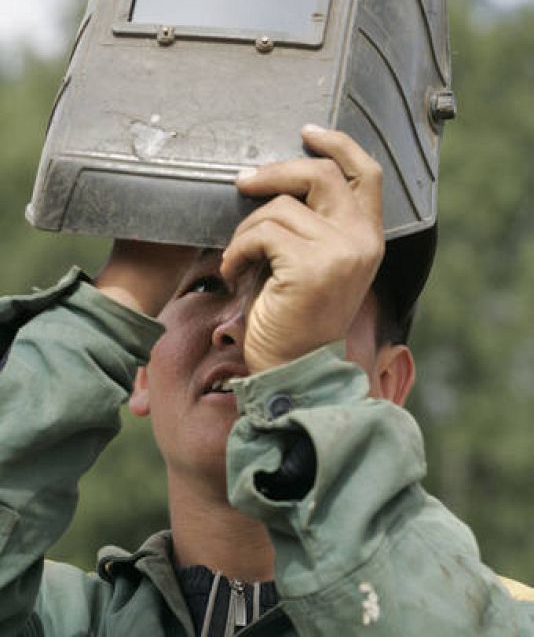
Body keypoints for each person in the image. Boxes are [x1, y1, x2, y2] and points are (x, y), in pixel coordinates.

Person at [0, 126, 532, 636]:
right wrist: (116, 304)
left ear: (387, 382)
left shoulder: (500, 617)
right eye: (207, 285)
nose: (241, 327)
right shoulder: (57, 619)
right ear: (138, 364)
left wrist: (299, 375)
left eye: (297, 289)